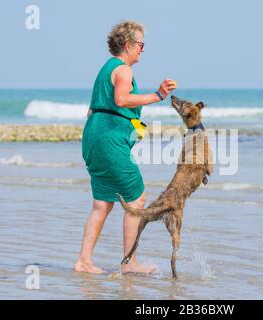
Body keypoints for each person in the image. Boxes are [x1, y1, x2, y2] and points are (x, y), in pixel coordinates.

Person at [74, 20, 176, 274]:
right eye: (141, 45)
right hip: (109, 141)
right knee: (136, 198)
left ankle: (83, 261)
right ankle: (129, 263)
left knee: (102, 203)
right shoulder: (123, 70)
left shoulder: (105, 69)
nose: (143, 49)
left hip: (94, 138)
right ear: (129, 45)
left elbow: (94, 109)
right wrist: (158, 95)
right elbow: (121, 99)